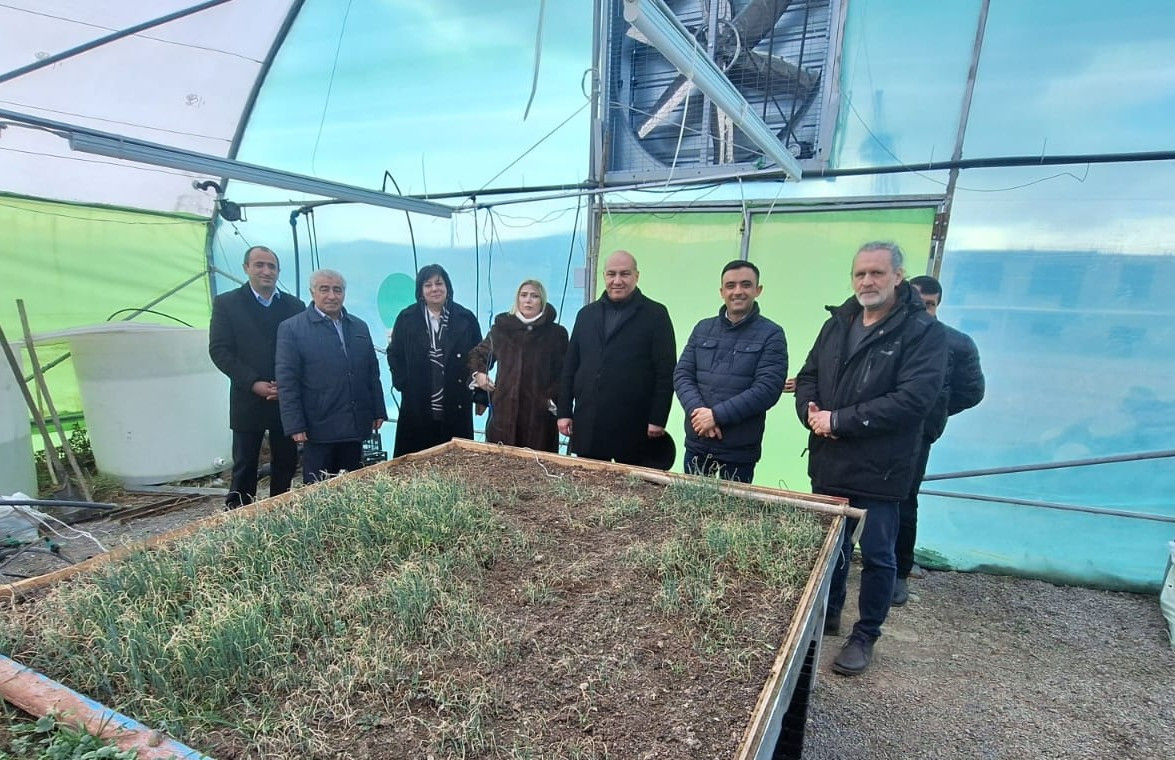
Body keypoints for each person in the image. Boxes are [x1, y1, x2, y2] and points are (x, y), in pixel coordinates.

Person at [794, 241, 946, 676]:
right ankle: (829, 613)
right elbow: (808, 375)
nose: (867, 281)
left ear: (898, 276)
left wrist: (839, 420)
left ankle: (865, 636)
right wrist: (811, 414)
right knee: (831, 548)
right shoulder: (837, 324)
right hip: (830, 460)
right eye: (860, 273)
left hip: (881, 467)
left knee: (878, 555)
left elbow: (913, 399)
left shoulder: (922, 333)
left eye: (877, 273)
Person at [892, 274, 985, 605]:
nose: (922, 309)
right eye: (917, 302)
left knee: (904, 501)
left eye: (929, 304)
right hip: (876, 431)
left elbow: (971, 392)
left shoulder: (956, 343)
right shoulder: (887, 335)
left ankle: (899, 572)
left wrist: (934, 411)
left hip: (918, 435)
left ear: (937, 306)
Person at [208, 246, 306, 509]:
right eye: (259, 265)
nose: (266, 271)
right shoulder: (227, 304)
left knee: (286, 461)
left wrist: (287, 384)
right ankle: (240, 513)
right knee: (245, 462)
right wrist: (253, 383)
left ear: (278, 271)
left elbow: (303, 349)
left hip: (285, 397)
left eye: (271, 266)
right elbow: (220, 350)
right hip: (247, 397)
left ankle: (280, 509)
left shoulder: (294, 306)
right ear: (246, 268)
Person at [558, 250, 676, 466]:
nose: (617, 280)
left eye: (625, 274)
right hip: (590, 423)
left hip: (634, 426)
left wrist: (658, 419)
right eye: (611, 274)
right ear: (604, 276)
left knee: (630, 484)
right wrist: (564, 412)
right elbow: (570, 368)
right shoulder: (586, 315)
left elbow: (665, 373)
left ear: (637, 276)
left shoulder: (655, 315)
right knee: (588, 482)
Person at [673, 260, 788, 482]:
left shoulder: (771, 334)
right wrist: (699, 414)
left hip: (739, 450)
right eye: (730, 285)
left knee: (733, 505)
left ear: (758, 290)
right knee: (691, 503)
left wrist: (716, 416)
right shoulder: (703, 328)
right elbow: (682, 375)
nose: (737, 291)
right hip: (698, 442)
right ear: (721, 292)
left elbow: (767, 389)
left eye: (746, 285)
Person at [275, 269, 386, 483]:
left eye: (337, 290)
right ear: (312, 292)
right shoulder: (292, 329)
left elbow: (372, 372)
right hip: (318, 425)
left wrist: (378, 409)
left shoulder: (359, 326)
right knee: (318, 487)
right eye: (324, 289)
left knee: (351, 484)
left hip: (354, 423)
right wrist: (295, 424)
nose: (332, 296)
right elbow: (287, 381)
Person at [387, 264, 483, 457]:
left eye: (439, 283)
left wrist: (480, 395)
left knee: (454, 461)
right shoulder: (407, 318)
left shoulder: (465, 318)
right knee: (417, 461)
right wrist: (403, 382)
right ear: (421, 291)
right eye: (428, 285)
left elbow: (480, 356)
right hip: (418, 403)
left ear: (447, 287)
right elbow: (395, 354)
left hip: (456, 401)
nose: (434, 289)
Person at [468, 279, 568, 452]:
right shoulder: (502, 330)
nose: (528, 300)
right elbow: (478, 355)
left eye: (534, 296)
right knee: (500, 464)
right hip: (503, 414)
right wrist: (480, 374)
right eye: (524, 295)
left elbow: (564, 373)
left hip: (539, 419)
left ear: (542, 301)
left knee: (537, 464)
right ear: (517, 299)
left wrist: (549, 401)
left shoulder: (556, 334)